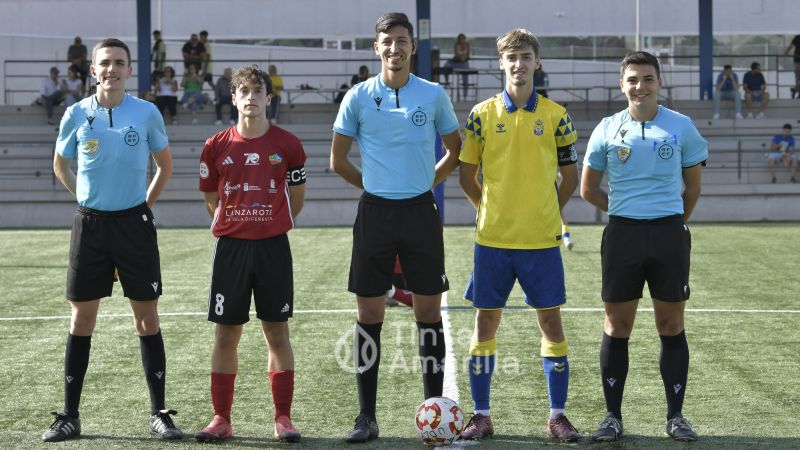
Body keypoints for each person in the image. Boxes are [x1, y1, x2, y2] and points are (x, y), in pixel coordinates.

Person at [329, 12, 462, 444]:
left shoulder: (433, 94)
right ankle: (366, 417)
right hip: (375, 214)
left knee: (428, 314)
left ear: (412, 47)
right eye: (387, 41)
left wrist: (425, 182)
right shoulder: (358, 96)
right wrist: (374, 187)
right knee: (369, 315)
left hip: (421, 213)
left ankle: (434, 413)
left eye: (402, 40)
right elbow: (337, 160)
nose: (394, 48)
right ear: (377, 48)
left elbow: (455, 150)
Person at [44, 37, 182, 443]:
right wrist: (85, 199)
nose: (112, 69)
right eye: (105, 63)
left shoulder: (146, 112)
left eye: (119, 63)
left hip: (134, 225)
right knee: (82, 319)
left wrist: (143, 208)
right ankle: (70, 416)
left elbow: (165, 166)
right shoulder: (75, 113)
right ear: (93, 70)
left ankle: (159, 413)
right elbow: (60, 164)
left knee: (147, 318)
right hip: (90, 226)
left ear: (129, 69)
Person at [458, 28, 581, 442]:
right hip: (492, 241)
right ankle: (481, 415)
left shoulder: (557, 115)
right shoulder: (481, 114)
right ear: (501, 63)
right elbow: (467, 177)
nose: (519, 64)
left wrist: (547, 212)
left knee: (552, 325)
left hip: (541, 242)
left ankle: (557, 416)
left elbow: (570, 178)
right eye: (511, 57)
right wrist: (488, 211)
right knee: (485, 324)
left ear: (537, 62)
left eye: (526, 56)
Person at [581, 51, 707, 443]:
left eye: (648, 79)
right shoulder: (606, 128)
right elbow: (588, 189)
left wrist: (671, 221)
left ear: (659, 82)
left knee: (671, 324)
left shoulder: (681, 126)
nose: (640, 86)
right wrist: (625, 211)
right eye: (633, 79)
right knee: (617, 325)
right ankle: (612, 417)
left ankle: (676, 417)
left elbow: (693, 188)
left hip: (669, 234)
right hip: (623, 235)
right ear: (622, 85)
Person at [195, 64, 307, 444]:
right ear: (233, 98)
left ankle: (283, 418)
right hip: (231, 250)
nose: (251, 98)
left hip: (274, 248)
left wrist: (268, 222)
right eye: (244, 92)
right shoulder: (215, 146)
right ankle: (221, 419)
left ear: (268, 98)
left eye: (258, 92)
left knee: (277, 332)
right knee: (226, 335)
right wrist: (239, 223)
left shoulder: (289, 145)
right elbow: (211, 201)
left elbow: (296, 200)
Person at [445, 33, 471, 99]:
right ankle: (447, 81)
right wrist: (462, 57)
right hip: (456, 62)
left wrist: (462, 57)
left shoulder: (467, 45)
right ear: (458, 39)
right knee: (446, 66)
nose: (462, 40)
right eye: (460, 39)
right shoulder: (456, 45)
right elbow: (457, 55)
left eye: (463, 39)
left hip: (464, 63)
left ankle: (465, 96)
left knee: (465, 79)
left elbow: (467, 55)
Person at [784, 34, 800, 99]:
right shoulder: (797, 37)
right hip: (797, 60)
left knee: (798, 78)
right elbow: (790, 46)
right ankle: (796, 91)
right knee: (798, 78)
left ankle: (795, 90)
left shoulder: (797, 37)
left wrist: (786, 53)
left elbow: (790, 46)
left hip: (796, 60)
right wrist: (786, 52)